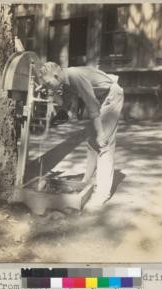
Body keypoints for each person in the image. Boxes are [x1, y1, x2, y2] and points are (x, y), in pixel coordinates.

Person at [38, 62, 124, 211]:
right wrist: (51, 94)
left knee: (103, 144)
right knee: (92, 143)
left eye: (47, 83)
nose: (47, 85)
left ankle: (102, 194)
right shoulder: (64, 81)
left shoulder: (73, 75)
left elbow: (92, 105)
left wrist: (101, 133)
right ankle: (86, 181)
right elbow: (67, 108)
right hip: (101, 99)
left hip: (111, 95)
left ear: (56, 76)